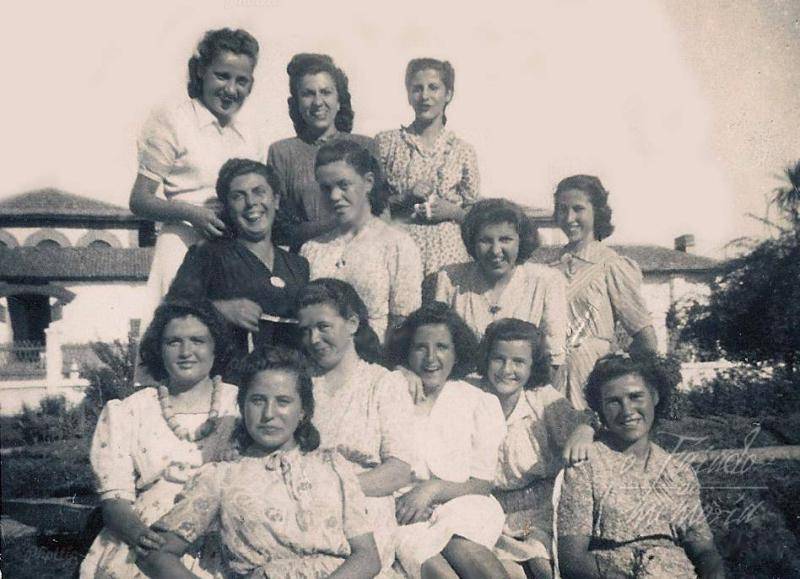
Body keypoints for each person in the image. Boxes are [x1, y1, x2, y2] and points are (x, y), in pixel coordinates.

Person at [139, 346, 381, 579]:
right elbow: (154, 554)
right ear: (242, 407)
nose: (268, 414)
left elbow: (367, 557)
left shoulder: (333, 467)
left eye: (283, 401)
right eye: (257, 400)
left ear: (303, 411)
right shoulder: (220, 477)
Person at [79, 301, 239, 579]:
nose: (186, 352)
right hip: (148, 537)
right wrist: (140, 536)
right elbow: (114, 500)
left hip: (223, 532)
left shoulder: (240, 404)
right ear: (159, 349)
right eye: (173, 342)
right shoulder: (130, 411)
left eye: (198, 340)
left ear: (216, 347)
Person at [130, 28, 264, 316]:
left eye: (241, 81)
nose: (231, 90)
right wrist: (192, 214)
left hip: (233, 251)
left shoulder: (250, 134)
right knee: (183, 326)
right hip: (183, 244)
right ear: (201, 70)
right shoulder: (174, 119)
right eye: (222, 76)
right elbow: (139, 199)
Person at [557, 354, 725, 578]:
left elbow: (704, 551)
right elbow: (572, 559)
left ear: (654, 396)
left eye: (635, 396)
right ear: (601, 408)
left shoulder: (678, 472)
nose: (627, 410)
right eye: (613, 401)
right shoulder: (586, 464)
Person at [295, 278, 417, 574]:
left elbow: (398, 471)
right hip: (302, 505)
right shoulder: (298, 383)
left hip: (364, 509)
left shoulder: (383, 383)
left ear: (352, 323)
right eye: (306, 330)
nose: (314, 339)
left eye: (323, 327)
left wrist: (332, 490)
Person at [386, 302, 509, 579]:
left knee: (462, 543)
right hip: (405, 511)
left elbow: (482, 483)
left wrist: (430, 490)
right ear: (407, 352)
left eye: (442, 347)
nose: (431, 358)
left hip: (464, 502)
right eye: (420, 347)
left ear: (456, 353)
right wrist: (397, 375)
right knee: (434, 565)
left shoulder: (477, 402)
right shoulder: (390, 392)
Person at [477, 318, 594, 579]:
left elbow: (583, 423)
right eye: (498, 359)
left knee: (541, 565)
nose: (507, 370)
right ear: (486, 359)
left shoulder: (542, 398)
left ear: (533, 366)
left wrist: (585, 430)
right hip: (490, 510)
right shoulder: (471, 395)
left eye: (518, 362)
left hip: (540, 510)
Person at [167, 158, 309, 364]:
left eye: (259, 192)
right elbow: (171, 311)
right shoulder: (209, 254)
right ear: (227, 207)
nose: (251, 202)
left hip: (287, 377)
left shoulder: (298, 264)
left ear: (276, 200)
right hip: (230, 375)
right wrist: (220, 309)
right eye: (238, 196)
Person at [551, 175, 658, 410]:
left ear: (597, 212)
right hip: (554, 380)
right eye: (562, 209)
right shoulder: (549, 270)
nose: (569, 218)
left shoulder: (612, 266)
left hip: (594, 378)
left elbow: (646, 340)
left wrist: (612, 371)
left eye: (578, 209)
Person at [301, 140, 422, 343]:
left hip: (377, 356)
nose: (334, 196)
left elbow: (404, 325)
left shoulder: (398, 245)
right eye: (326, 188)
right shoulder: (311, 249)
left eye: (343, 185)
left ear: (368, 182)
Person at [435, 198, 567, 374]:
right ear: (472, 242)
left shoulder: (547, 281)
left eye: (505, 239)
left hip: (521, 385)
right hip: (464, 384)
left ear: (521, 240)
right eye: (485, 240)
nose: (495, 250)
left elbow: (554, 359)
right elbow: (437, 343)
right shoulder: (450, 278)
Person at [376, 58, 480, 277]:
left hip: (449, 256)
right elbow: (371, 204)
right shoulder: (387, 143)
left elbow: (476, 216)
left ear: (448, 94)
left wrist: (452, 211)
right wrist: (405, 198)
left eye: (433, 88)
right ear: (408, 95)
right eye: (417, 89)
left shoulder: (463, 150)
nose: (425, 96)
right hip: (399, 250)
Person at [269, 53, 375, 251]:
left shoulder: (366, 146)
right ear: (296, 102)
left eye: (326, 92)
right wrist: (336, 223)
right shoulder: (282, 152)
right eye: (308, 94)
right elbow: (280, 228)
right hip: (306, 257)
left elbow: (381, 213)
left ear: (339, 99)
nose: (318, 102)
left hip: (362, 253)